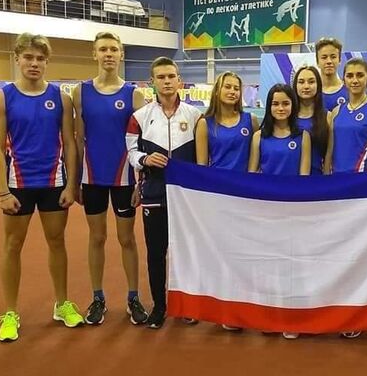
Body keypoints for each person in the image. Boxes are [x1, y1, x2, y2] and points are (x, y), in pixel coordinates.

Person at [0, 33, 83, 342]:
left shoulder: (61, 98)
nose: (34, 63)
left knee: (57, 242)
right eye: (28, 57)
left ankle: (62, 304)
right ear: (17, 59)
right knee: (13, 245)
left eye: (40, 58)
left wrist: (71, 184)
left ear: (47, 62)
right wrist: (3, 191)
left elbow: (70, 143)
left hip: (53, 182)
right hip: (18, 184)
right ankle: (10, 313)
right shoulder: (3, 97)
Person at [72, 32, 148, 326]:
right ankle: (98, 297)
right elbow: (78, 139)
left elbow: (141, 141)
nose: (108, 54)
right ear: (94, 54)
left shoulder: (133, 94)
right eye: (103, 49)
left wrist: (140, 181)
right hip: (92, 177)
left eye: (113, 49)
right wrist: (75, 180)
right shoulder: (80, 92)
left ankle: (133, 297)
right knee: (97, 237)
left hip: (124, 178)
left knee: (127, 238)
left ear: (121, 55)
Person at [126, 57, 202, 330]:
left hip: (186, 197)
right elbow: (131, 152)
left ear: (179, 80)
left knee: (187, 251)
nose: (167, 81)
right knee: (156, 252)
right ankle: (159, 306)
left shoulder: (195, 116)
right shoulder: (139, 117)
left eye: (171, 76)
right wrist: (145, 159)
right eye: (161, 77)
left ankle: (188, 305)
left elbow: (203, 156)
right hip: (155, 192)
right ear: (152, 82)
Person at [325, 57, 367, 338]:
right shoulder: (336, 113)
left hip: (361, 191)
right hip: (337, 191)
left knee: (359, 252)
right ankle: (338, 306)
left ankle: (359, 313)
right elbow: (330, 153)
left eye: (359, 75)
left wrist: (363, 188)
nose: (354, 80)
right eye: (349, 75)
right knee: (338, 251)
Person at [195, 71, 258, 331]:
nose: (232, 92)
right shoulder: (205, 123)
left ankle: (247, 305)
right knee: (222, 254)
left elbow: (257, 157)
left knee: (245, 253)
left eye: (236, 88)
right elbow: (201, 166)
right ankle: (225, 308)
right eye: (227, 87)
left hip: (245, 197)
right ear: (217, 91)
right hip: (218, 198)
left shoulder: (251, 121)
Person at [248, 84, 310, 339]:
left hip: (293, 210)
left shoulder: (303, 137)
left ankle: (291, 317)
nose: (280, 108)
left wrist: (297, 206)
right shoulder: (258, 137)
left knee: (291, 264)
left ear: (292, 106)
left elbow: (304, 175)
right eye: (275, 103)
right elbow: (252, 174)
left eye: (285, 103)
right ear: (269, 106)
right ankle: (270, 315)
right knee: (269, 263)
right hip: (266, 210)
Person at [292, 64, 329, 175]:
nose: (306, 86)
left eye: (311, 82)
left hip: (317, 177)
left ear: (318, 85)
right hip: (290, 177)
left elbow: (330, 153)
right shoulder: (287, 116)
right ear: (295, 86)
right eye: (301, 82)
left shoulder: (328, 117)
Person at [315, 37, 349, 112]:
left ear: (339, 60)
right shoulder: (311, 91)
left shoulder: (349, 90)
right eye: (324, 57)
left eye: (333, 57)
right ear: (317, 62)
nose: (329, 61)